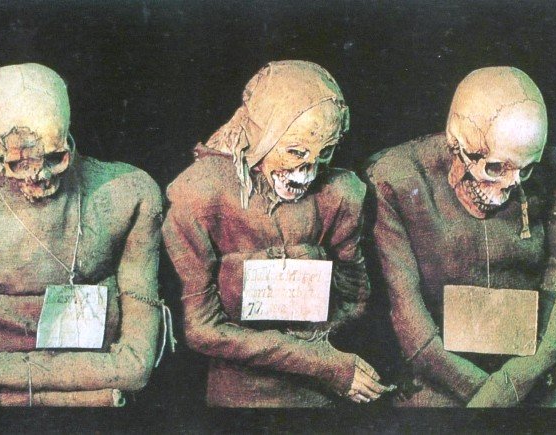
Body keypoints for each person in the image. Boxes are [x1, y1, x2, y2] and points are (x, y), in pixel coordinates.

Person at [163, 60, 394, 407]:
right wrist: (321, 363)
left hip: (317, 396)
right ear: (264, 136)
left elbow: (356, 298)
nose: (307, 172)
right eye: (295, 152)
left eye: (325, 153)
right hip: (239, 398)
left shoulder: (340, 194)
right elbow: (201, 329)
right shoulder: (201, 194)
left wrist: (320, 351)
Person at [0, 63, 169, 406]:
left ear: (69, 139)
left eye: (54, 158)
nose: (39, 175)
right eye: (21, 163)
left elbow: (136, 365)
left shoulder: (128, 194)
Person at [366, 66, 556, 407]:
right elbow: (407, 313)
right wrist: (492, 396)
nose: (510, 185)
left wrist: (515, 382)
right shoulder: (397, 178)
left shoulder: (555, 174)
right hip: (436, 381)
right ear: (457, 144)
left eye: (526, 169)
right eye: (495, 167)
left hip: (531, 376)